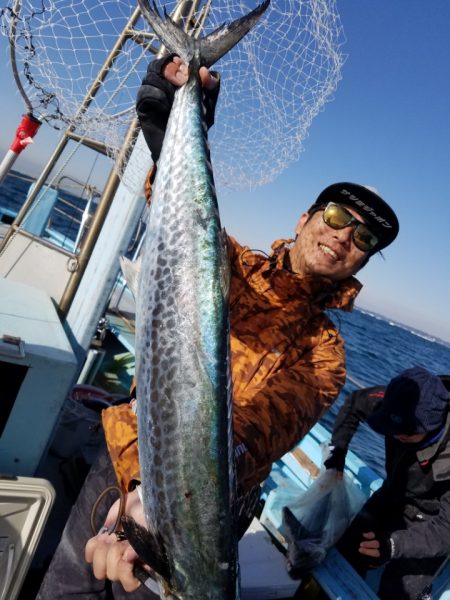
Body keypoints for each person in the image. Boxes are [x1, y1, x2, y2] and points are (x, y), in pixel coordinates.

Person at [36, 55, 399, 599]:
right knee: (68, 590)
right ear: (305, 219)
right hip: (124, 464)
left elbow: (253, 437)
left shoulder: (326, 354)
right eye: (338, 217)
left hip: (200, 517)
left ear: (363, 262)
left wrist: (160, 509)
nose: (346, 236)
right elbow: (182, 220)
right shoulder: (229, 266)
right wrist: (173, 141)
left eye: (365, 239)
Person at [324, 366, 450, 600]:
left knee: (398, 592)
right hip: (392, 493)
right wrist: (338, 451)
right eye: (390, 429)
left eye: (404, 433)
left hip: (431, 520)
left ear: (431, 426)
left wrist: (392, 545)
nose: (394, 436)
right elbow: (354, 404)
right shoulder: (399, 401)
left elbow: (446, 529)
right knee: (344, 555)